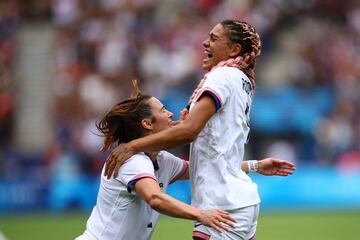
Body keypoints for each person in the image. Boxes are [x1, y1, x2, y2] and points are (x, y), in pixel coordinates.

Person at [103, 20, 296, 240]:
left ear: (234, 49)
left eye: (214, 38)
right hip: (240, 201)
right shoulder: (242, 80)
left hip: (222, 204)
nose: (205, 43)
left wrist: (132, 146)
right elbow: (198, 162)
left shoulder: (221, 76)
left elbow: (189, 131)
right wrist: (255, 165)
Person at [75, 81, 237, 240]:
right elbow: (154, 198)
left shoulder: (161, 159)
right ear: (147, 124)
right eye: (163, 110)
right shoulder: (133, 161)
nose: (170, 114)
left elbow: (206, 168)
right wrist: (201, 214)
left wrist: (254, 165)